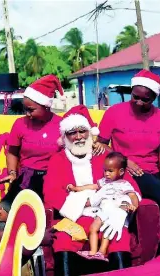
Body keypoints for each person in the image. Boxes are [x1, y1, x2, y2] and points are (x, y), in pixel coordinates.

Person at [43, 105, 142, 275]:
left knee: (119, 236)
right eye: (72, 133)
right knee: (64, 239)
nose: (79, 137)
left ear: (90, 133)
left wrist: (121, 210)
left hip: (109, 213)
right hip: (76, 217)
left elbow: (130, 186)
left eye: (83, 131)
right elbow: (52, 194)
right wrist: (89, 200)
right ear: (65, 136)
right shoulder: (57, 160)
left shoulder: (106, 156)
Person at [97, 70, 160, 255]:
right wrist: (124, 160)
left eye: (145, 99)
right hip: (124, 172)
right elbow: (100, 146)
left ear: (155, 97)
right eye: (135, 97)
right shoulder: (114, 112)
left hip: (151, 172)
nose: (139, 102)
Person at [0, 75, 64, 218]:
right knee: (4, 214)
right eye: (25, 109)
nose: (27, 114)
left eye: (31, 109)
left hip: (53, 179)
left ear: (46, 106)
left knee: (50, 218)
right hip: (26, 178)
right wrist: (12, 172)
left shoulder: (63, 125)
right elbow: (12, 152)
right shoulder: (20, 124)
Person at [70, 152, 140, 262]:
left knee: (108, 230)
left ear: (121, 171)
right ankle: (93, 252)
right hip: (103, 210)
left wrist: (134, 206)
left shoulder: (124, 184)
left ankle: (101, 252)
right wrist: (77, 188)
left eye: (110, 171)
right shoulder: (104, 181)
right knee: (93, 228)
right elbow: (92, 186)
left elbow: (133, 195)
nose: (106, 173)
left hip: (114, 211)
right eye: (105, 170)